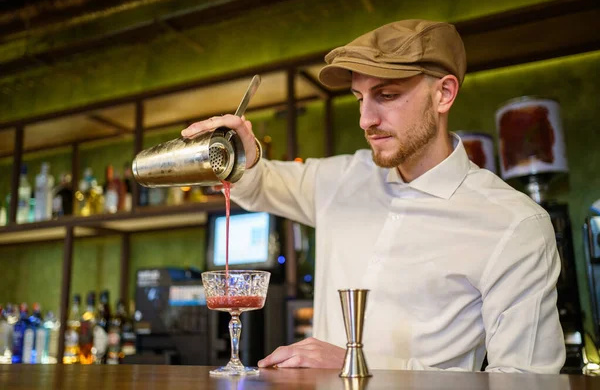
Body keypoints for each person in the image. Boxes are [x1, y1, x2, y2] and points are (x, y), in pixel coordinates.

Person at [182, 19, 566, 373]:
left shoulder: (514, 225)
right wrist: (239, 154)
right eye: (359, 98)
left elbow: (525, 381)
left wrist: (356, 366)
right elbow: (258, 181)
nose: (366, 119)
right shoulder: (342, 178)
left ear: (444, 94)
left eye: (386, 94)